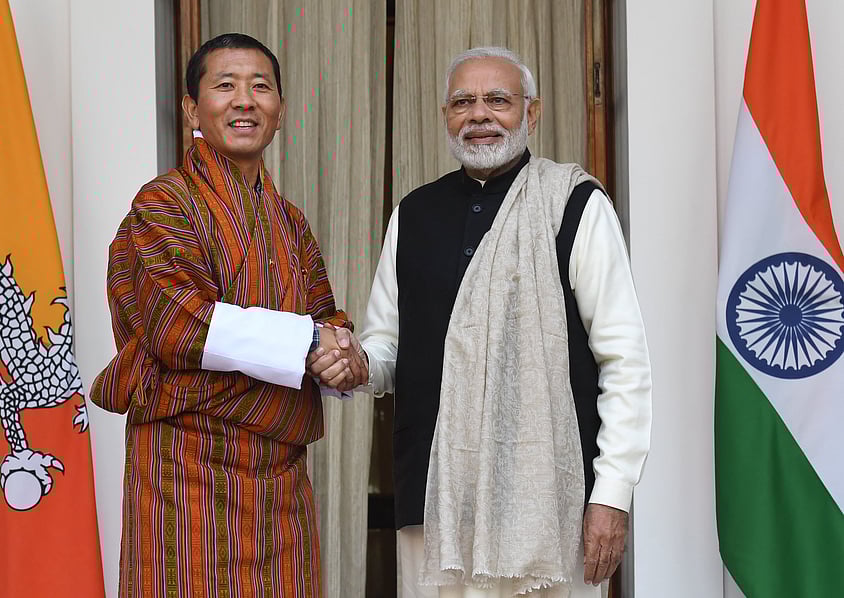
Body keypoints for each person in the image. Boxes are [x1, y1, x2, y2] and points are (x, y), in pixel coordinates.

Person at [310, 46, 651, 597]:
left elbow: (623, 358)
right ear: (445, 115)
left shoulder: (575, 205)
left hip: (547, 503)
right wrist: (356, 362)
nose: (480, 115)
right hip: (434, 500)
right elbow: (386, 348)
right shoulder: (414, 215)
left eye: (498, 100)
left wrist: (612, 493)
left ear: (531, 113)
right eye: (463, 102)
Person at [90, 33, 365, 597]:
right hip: (186, 481)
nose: (245, 100)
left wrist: (343, 359)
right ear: (192, 108)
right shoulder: (164, 201)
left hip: (280, 491)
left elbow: (325, 320)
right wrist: (312, 345)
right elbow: (179, 327)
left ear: (280, 110)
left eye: (261, 87)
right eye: (226, 86)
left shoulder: (290, 222)